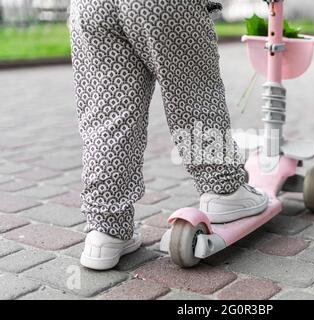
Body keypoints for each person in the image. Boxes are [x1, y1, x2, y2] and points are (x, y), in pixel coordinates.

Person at [69, 0, 268, 270]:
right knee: (193, 93)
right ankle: (223, 188)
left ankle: (106, 229)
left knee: (109, 112)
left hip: (92, 7)